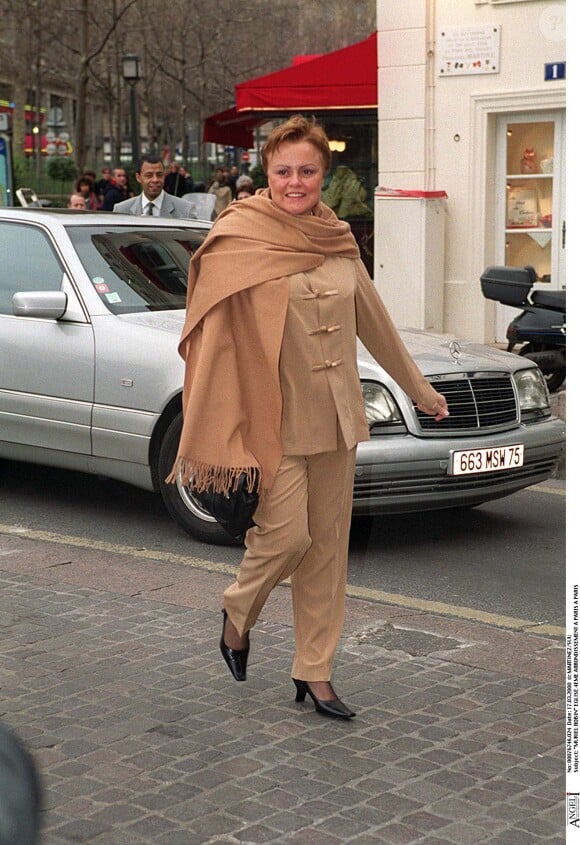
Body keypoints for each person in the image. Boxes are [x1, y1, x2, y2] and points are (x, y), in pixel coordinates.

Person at [168, 115, 448, 720]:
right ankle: (237, 612)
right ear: (266, 174)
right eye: (284, 171)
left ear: (325, 174)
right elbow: (214, 338)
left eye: (308, 171)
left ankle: (315, 672)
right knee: (287, 538)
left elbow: (374, 324)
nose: (296, 182)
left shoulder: (339, 240)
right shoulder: (240, 236)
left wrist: (419, 388)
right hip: (274, 421)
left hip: (339, 420)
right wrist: (219, 418)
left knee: (328, 552)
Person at [113, 155, 197, 218]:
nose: (155, 180)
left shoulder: (186, 210)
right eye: (149, 175)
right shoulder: (121, 210)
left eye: (159, 175)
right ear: (138, 177)